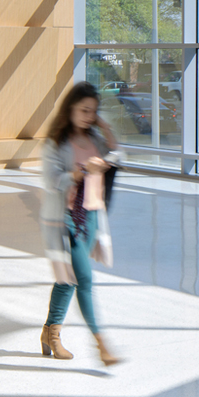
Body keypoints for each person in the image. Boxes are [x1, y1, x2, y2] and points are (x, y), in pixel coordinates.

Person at [39, 82, 122, 366]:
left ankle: (50, 333)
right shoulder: (55, 143)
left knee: (68, 280)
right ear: (70, 109)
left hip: (91, 217)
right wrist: (77, 174)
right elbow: (51, 180)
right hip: (65, 221)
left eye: (94, 112)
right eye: (84, 110)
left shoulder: (96, 139)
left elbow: (117, 155)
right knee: (83, 279)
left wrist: (104, 126)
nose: (89, 116)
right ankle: (101, 345)